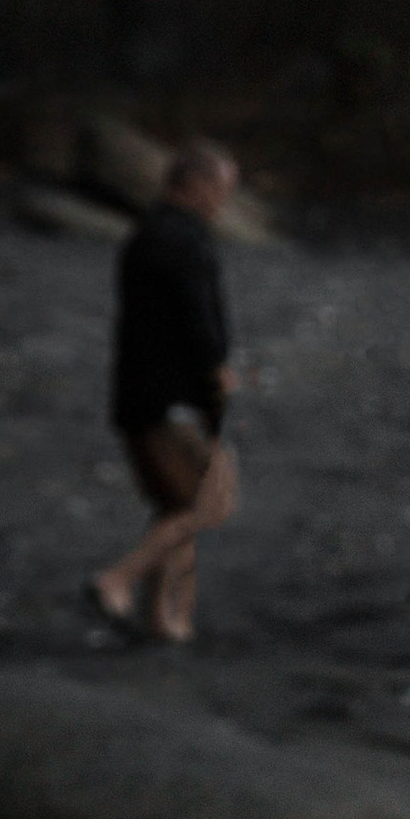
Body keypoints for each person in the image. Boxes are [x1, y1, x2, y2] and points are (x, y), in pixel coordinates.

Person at [89, 137, 241, 648]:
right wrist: (216, 373)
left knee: (175, 507)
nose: (224, 201)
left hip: (138, 395)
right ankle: (118, 578)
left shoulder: (146, 234)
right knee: (210, 501)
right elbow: (198, 318)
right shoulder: (184, 241)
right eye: (222, 189)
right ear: (196, 185)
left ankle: (163, 619)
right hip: (167, 400)